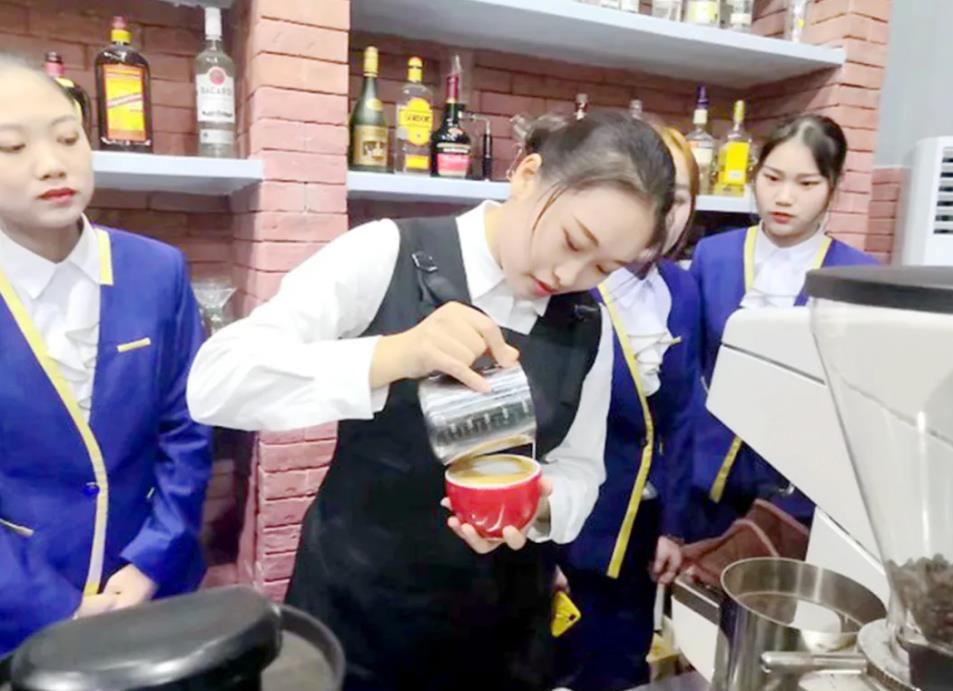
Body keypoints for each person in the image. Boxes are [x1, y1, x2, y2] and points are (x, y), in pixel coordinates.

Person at [186, 111, 675, 691]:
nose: (568, 274)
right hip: (359, 618)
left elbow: (581, 469)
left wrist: (536, 509)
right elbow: (217, 382)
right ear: (528, 175)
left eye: (603, 267)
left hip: (502, 637)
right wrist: (393, 354)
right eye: (572, 241)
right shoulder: (386, 252)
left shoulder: (588, 321)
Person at [0, 55, 212, 655]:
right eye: (12, 148)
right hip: (19, 609)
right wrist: (53, 606)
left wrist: (154, 558)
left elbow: (188, 426)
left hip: (152, 587)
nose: (51, 163)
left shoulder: (156, 270)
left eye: (68, 138)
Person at [554, 127, 703, 691]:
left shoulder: (682, 291)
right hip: (572, 527)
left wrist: (675, 528)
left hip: (641, 532)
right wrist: (539, 555)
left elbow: (683, 415)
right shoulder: (568, 284)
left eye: (678, 198)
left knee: (623, 665)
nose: (663, 215)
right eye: (650, 195)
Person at [685, 114, 878, 550]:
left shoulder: (857, 274)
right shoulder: (714, 255)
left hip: (798, 482)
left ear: (833, 187)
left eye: (807, 184)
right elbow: (690, 365)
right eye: (772, 178)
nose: (784, 197)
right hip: (705, 468)